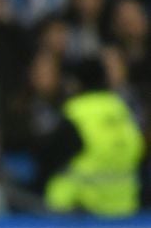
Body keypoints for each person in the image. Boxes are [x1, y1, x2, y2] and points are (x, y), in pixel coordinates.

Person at [41, 57, 144, 217]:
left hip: (78, 209)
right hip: (124, 208)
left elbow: (50, 158)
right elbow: (138, 151)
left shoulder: (77, 112)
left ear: (76, 83)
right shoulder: (121, 109)